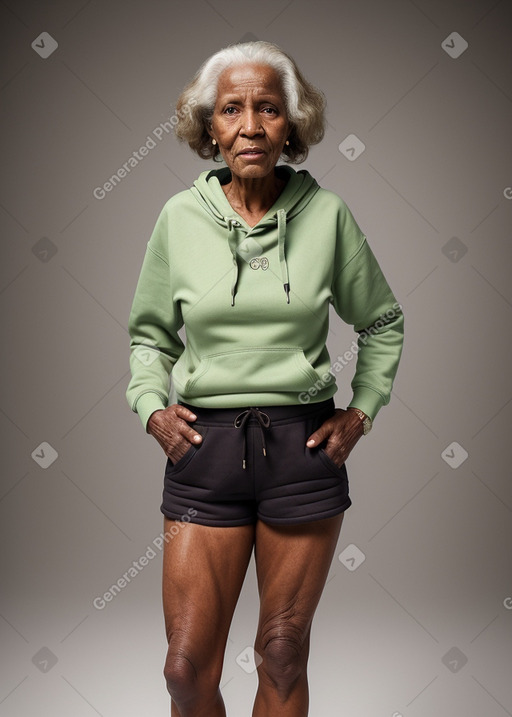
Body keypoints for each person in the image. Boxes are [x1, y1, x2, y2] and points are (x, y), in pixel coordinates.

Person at [126, 40, 404, 717]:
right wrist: (149, 405)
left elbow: (383, 321)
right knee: (185, 668)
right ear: (209, 127)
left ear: (292, 124)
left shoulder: (328, 215)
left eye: (268, 109)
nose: (250, 126)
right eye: (231, 109)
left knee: (282, 652)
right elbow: (149, 335)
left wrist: (362, 409)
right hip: (205, 452)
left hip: (302, 450)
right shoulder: (178, 218)